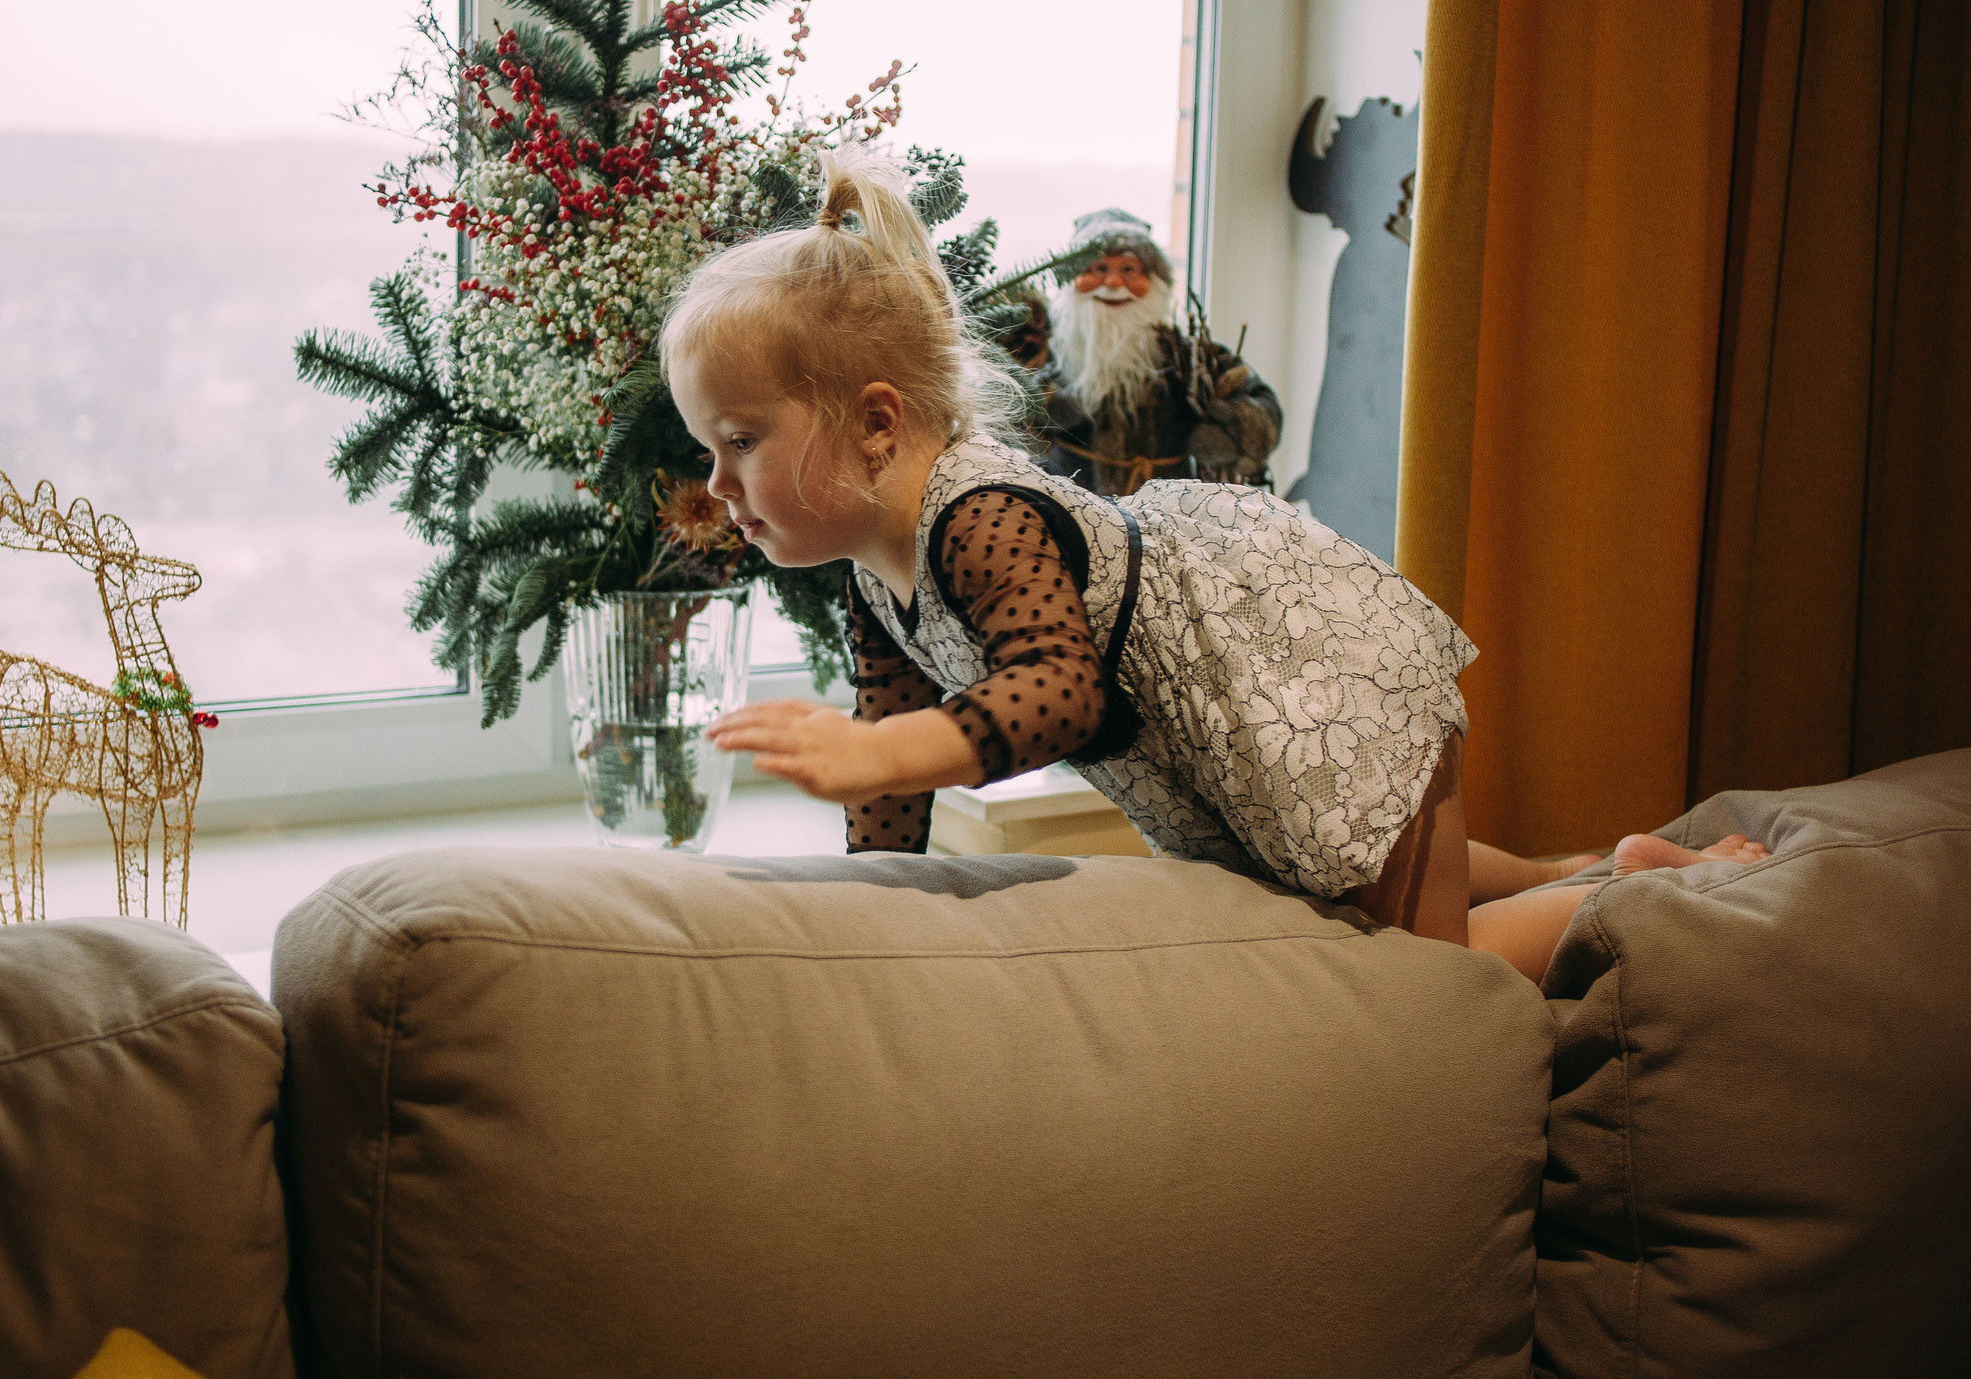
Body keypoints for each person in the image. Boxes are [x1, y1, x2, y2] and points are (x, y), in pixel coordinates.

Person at [663, 152, 1759, 981]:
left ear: (874, 424)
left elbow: (1052, 691)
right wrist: (865, 917)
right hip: (1225, 742)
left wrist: (877, 751)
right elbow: (895, 808)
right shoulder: (873, 573)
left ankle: (1658, 897)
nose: (714, 485)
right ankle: (1590, 867)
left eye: (741, 442)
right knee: (1373, 888)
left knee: (1428, 974)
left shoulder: (982, 518)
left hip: (1305, 677)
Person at [1021, 210, 1283, 496]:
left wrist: (1225, 430)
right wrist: (1051, 404)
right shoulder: (1046, 349)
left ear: (1155, 281)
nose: (1113, 284)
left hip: (1167, 513)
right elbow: (1009, 416)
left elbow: (1265, 411)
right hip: (1070, 510)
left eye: (1128, 270)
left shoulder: (1186, 357)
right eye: (1099, 269)